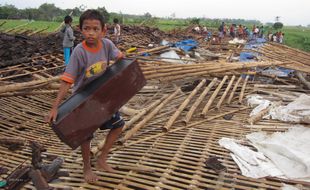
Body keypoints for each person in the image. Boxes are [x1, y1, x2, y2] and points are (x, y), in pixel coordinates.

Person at [47, 9, 124, 183]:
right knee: (86, 136)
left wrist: (122, 61)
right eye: (87, 28)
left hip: (103, 95)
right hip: (83, 98)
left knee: (118, 125)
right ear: (80, 30)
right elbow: (67, 81)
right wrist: (55, 107)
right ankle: (87, 167)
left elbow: (119, 58)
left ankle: (102, 158)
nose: (91, 33)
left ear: (103, 30)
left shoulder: (107, 45)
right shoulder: (79, 52)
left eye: (95, 29)